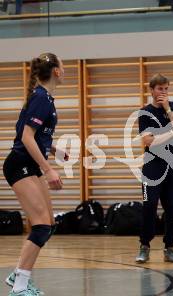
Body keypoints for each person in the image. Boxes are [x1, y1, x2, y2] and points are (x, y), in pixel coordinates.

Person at [3, 53, 67, 296]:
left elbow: (30, 133)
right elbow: (25, 138)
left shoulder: (44, 98)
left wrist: (53, 148)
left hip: (29, 164)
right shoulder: (41, 97)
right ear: (57, 72)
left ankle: (17, 274)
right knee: (40, 225)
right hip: (20, 164)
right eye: (63, 66)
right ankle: (19, 287)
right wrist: (49, 169)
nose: (65, 70)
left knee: (48, 224)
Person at [135, 74, 173, 263]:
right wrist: (172, 130)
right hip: (152, 166)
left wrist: (168, 110)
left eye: (166, 89)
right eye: (159, 89)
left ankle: (170, 247)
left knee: (172, 208)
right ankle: (145, 246)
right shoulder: (145, 112)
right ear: (152, 90)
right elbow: (148, 142)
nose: (163, 93)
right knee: (149, 206)